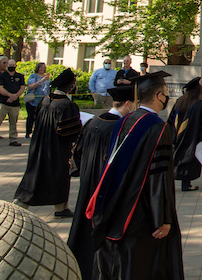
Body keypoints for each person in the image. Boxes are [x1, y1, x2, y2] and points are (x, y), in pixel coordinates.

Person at [87, 70, 183, 280]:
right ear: (159, 96)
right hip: (142, 209)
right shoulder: (158, 127)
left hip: (117, 201)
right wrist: (163, 218)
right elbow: (159, 175)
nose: (167, 97)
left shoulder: (124, 121)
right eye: (165, 92)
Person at [69, 84, 136, 280]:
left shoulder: (92, 123)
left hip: (88, 184)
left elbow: (78, 155)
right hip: (106, 189)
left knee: (83, 225)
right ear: (128, 104)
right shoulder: (119, 128)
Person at [14, 67, 82, 216]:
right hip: (57, 147)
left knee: (37, 172)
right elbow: (69, 131)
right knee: (57, 175)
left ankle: (61, 207)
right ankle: (21, 205)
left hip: (39, 145)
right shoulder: (67, 105)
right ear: (70, 86)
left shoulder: (45, 100)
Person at [167, 77, 202, 192]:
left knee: (177, 158)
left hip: (178, 136)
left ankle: (172, 183)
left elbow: (171, 120)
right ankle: (186, 184)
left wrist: (171, 136)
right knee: (189, 160)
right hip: (192, 137)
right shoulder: (199, 104)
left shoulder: (179, 101)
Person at [0, 58, 26, 147]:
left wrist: (15, 96)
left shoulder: (20, 76)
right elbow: (0, 88)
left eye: (13, 65)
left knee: (13, 123)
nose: (12, 67)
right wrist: (10, 95)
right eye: (10, 65)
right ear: (7, 66)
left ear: (16, 66)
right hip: (3, 102)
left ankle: (13, 139)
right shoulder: (1, 76)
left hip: (15, 104)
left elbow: (22, 88)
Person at [25, 62, 51, 138]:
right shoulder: (33, 76)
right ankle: (28, 132)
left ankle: (38, 133)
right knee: (31, 117)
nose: (42, 69)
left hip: (43, 100)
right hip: (33, 100)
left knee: (41, 118)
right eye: (41, 67)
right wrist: (41, 80)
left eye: (43, 67)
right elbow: (31, 87)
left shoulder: (47, 77)